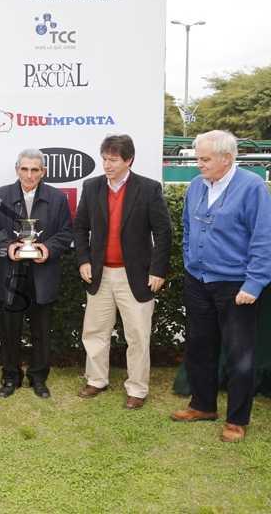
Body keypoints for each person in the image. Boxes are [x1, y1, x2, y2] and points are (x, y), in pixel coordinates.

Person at [171, 130, 271, 442]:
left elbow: (263, 239)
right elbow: (188, 228)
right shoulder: (197, 185)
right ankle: (203, 406)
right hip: (198, 281)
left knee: (240, 354)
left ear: (227, 158)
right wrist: (190, 262)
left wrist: (254, 284)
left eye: (204, 159)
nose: (198, 164)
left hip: (236, 285)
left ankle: (237, 420)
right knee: (200, 347)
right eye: (197, 158)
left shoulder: (252, 187)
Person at [73, 134, 171, 409]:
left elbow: (164, 233)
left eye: (113, 160)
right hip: (100, 275)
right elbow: (80, 227)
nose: (107, 164)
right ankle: (96, 379)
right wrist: (83, 260)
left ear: (129, 160)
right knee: (94, 332)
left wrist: (158, 270)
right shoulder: (91, 187)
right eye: (104, 159)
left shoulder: (149, 189)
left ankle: (137, 389)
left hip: (136, 276)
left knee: (138, 336)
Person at [0, 148, 73, 399]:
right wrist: (8, 246)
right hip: (10, 275)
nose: (29, 175)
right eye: (25, 169)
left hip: (43, 275)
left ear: (43, 171)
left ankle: (38, 378)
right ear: (16, 169)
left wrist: (47, 248)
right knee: (9, 330)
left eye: (35, 170)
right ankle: (10, 376)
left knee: (41, 331)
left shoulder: (57, 199)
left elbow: (66, 233)